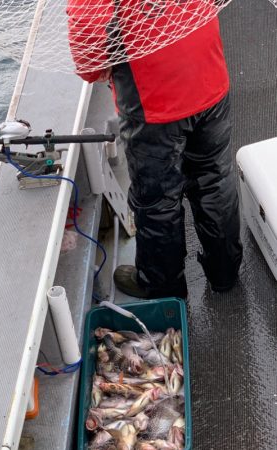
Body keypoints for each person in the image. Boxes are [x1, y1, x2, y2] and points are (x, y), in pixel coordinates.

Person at [67, 1, 243, 298]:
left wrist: (100, 67)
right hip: (208, 74)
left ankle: (164, 288)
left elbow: (89, 52)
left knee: (157, 199)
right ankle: (224, 273)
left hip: (154, 103)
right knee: (215, 180)